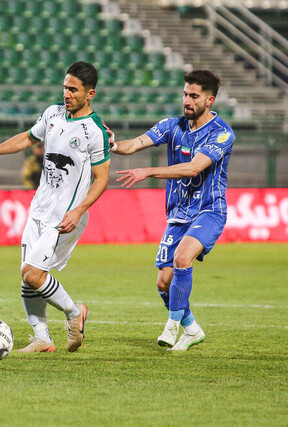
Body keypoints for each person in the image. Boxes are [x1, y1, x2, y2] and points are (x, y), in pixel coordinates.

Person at [0, 61, 111, 353]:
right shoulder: (53, 113)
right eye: (65, 87)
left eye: (73, 89)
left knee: (32, 273)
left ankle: (75, 312)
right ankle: (42, 338)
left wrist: (79, 210)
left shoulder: (94, 131)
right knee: (27, 277)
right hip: (39, 210)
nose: (66, 94)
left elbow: (102, 178)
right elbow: (28, 137)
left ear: (90, 94)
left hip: (65, 216)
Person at [108, 70, 235, 351]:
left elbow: (193, 168)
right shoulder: (172, 126)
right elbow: (134, 144)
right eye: (185, 94)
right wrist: (113, 144)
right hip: (179, 213)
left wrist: (148, 171)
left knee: (182, 257)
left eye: (194, 96)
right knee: (164, 283)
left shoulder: (222, 133)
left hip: (209, 210)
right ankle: (192, 329)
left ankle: (172, 325)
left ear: (210, 100)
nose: (187, 100)